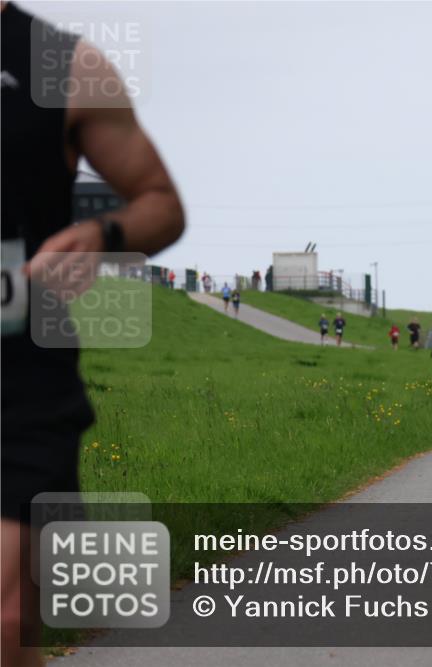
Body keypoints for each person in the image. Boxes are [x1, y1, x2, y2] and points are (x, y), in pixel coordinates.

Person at [1, 5, 185, 664]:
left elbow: (160, 201)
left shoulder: (62, 63)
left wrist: (102, 234)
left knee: (10, 612)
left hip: (19, 384)